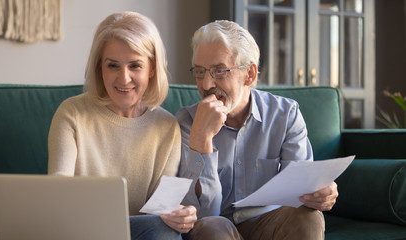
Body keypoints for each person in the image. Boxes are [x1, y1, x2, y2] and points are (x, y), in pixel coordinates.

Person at [176, 20, 338, 240]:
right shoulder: (187, 121)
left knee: (308, 216)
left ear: (249, 74)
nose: (205, 85)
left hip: (270, 223)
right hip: (217, 227)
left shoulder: (285, 114)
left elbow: (299, 194)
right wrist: (201, 139)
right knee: (211, 227)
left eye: (219, 71)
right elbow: (203, 216)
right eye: (200, 72)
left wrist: (319, 194)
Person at [48, 12, 196, 240]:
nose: (124, 78)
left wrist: (178, 215)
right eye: (113, 65)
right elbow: (58, 188)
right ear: (100, 67)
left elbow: (161, 210)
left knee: (165, 228)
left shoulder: (167, 127)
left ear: (152, 68)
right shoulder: (72, 113)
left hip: (139, 233)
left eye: (135, 66)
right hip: (81, 232)